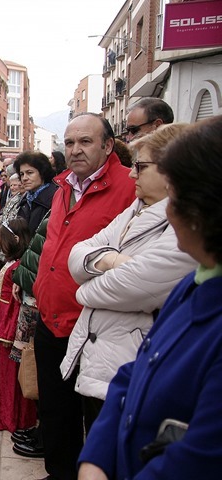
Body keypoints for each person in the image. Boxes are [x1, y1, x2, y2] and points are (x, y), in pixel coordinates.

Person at [78, 115, 222, 480]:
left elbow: (199, 457)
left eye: (176, 194)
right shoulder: (194, 286)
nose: (167, 209)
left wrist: (84, 289)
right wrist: (95, 458)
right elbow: (135, 371)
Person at [61, 124, 196, 432]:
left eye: (141, 166)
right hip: (100, 362)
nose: (133, 174)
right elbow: (77, 254)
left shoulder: (184, 223)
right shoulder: (136, 209)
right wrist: (112, 259)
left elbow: (135, 286)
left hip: (132, 368)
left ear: (173, 170)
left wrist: (85, 288)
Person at [31, 113, 136, 479]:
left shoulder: (130, 187)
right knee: (56, 414)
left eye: (85, 142)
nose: (75, 150)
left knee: (98, 419)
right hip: (50, 320)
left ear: (108, 145)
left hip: (96, 328)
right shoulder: (63, 186)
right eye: (69, 142)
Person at [0, 218, 36, 432]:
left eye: (2, 238)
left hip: (6, 327)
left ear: (15, 239)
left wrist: (6, 333)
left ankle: (10, 417)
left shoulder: (17, 268)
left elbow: (15, 306)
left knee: (8, 374)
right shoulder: (13, 265)